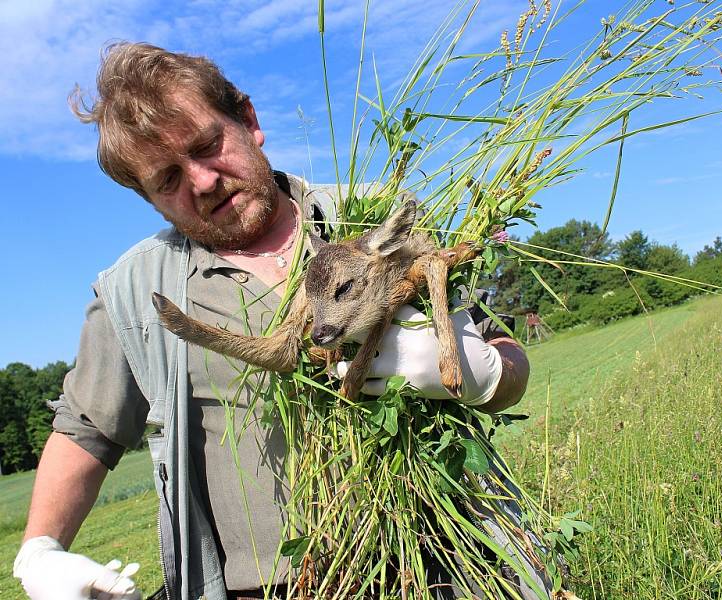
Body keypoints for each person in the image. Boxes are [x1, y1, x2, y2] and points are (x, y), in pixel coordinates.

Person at [13, 42, 532, 600]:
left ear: (249, 120)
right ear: (148, 198)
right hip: (267, 587)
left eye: (207, 146)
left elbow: (502, 348)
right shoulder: (134, 291)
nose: (203, 181)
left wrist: (487, 376)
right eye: (167, 178)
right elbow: (85, 432)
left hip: (440, 563)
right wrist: (40, 550)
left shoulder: (372, 215)